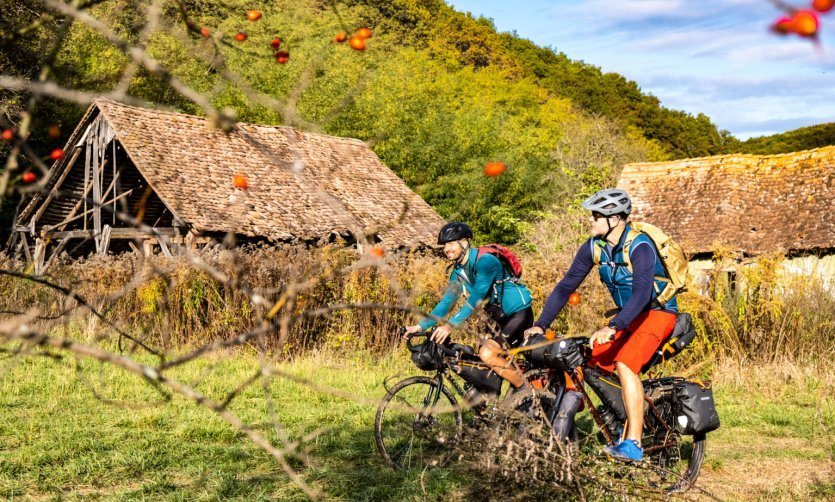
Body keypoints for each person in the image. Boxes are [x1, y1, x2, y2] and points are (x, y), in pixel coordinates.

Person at [523, 188, 678, 462]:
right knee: (589, 360)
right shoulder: (594, 247)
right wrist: (541, 324)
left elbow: (642, 294)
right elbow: (566, 287)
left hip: (657, 313)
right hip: (628, 315)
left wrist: (614, 326)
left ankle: (634, 443)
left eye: (597, 216)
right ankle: (617, 418)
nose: (591, 220)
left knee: (625, 363)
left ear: (615, 219)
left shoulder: (640, 246)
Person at [404, 222, 534, 393]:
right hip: (497, 318)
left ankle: (527, 392)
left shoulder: (486, 261)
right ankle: (495, 408)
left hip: (517, 313)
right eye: (444, 245)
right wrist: (420, 326)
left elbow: (476, 298)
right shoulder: (458, 272)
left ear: (464, 242)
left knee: (487, 354)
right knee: (479, 362)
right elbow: (446, 303)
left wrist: (450, 326)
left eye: (451, 243)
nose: (446, 249)